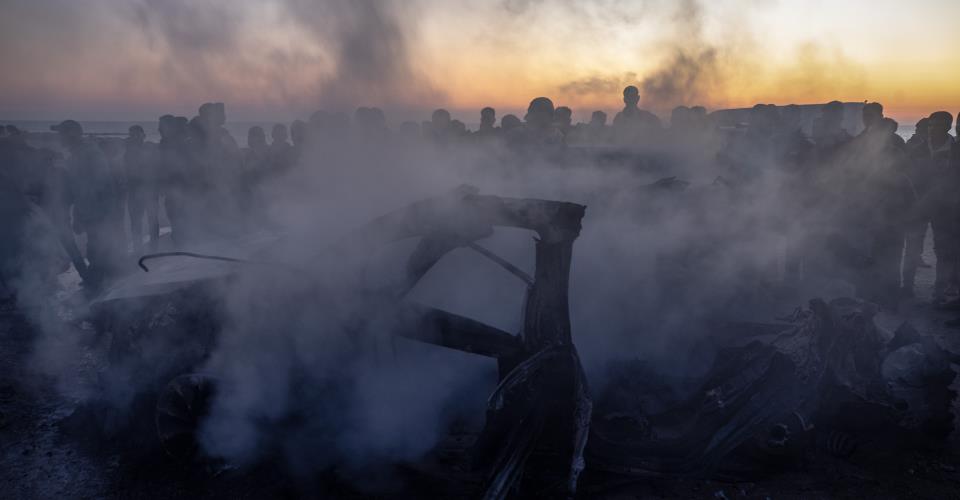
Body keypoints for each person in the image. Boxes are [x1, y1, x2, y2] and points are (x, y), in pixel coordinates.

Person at [52, 119, 123, 285]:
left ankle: (100, 281)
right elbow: (79, 188)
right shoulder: (79, 154)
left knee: (98, 246)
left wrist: (88, 212)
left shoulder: (89, 153)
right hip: (92, 209)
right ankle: (98, 277)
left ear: (73, 134)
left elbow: (99, 184)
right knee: (96, 245)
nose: (59, 138)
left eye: (62, 133)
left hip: (99, 210)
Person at [909, 111, 957, 301]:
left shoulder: (956, 150)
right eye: (930, 125)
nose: (932, 130)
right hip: (919, 205)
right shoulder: (917, 150)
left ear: (947, 127)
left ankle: (940, 292)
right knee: (913, 247)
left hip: (947, 208)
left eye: (937, 126)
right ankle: (907, 288)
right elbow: (908, 177)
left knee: (945, 250)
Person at [123, 125, 158, 253]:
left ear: (143, 135)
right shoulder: (129, 150)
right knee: (136, 221)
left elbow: (157, 167)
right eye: (132, 134)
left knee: (152, 219)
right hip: (135, 190)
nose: (135, 137)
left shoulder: (150, 148)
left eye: (137, 134)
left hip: (149, 189)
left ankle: (154, 247)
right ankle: (138, 248)